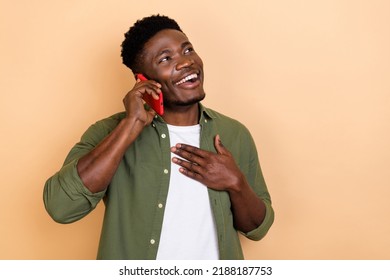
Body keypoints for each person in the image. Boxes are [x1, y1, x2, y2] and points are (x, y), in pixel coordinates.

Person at [43, 14, 274, 260]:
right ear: (143, 79)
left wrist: (235, 182)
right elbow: (61, 207)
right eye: (166, 58)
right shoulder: (107, 132)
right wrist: (130, 126)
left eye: (188, 50)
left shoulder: (234, 134)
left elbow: (257, 228)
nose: (186, 62)